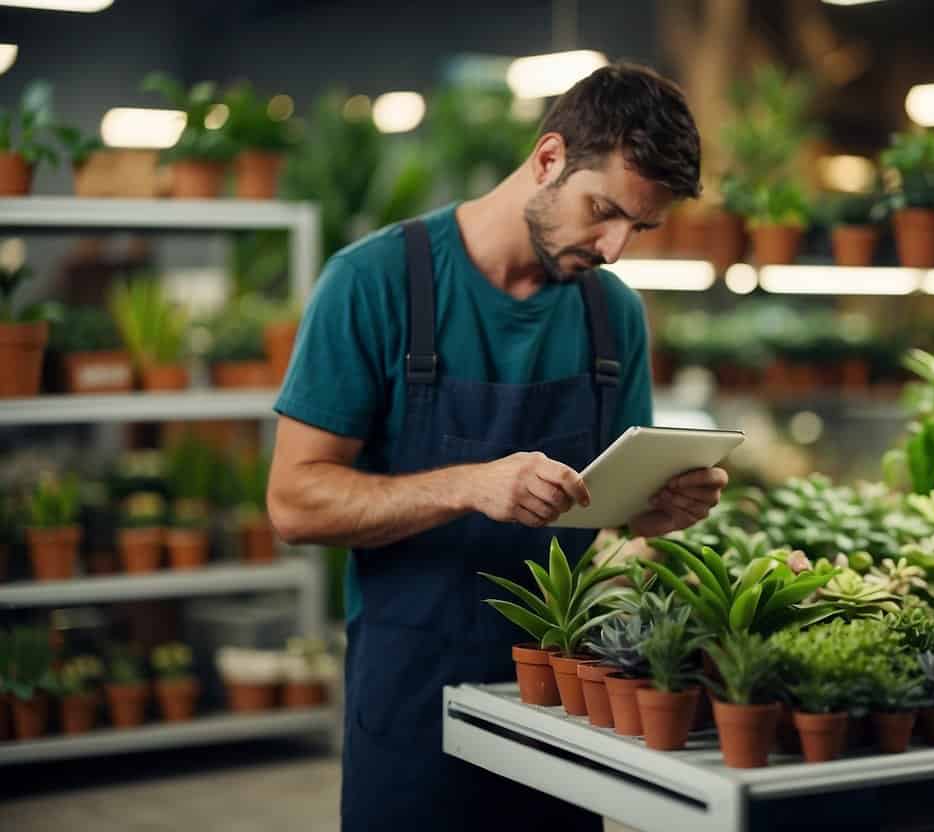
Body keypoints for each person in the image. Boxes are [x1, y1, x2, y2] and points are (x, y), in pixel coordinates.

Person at [266, 63, 728, 831]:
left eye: (638, 228)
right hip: (414, 697)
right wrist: (467, 487)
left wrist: (661, 508)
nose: (614, 247)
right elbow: (292, 502)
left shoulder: (614, 317)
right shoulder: (375, 283)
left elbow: (614, 520)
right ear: (548, 159)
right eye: (604, 211)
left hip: (572, 702)